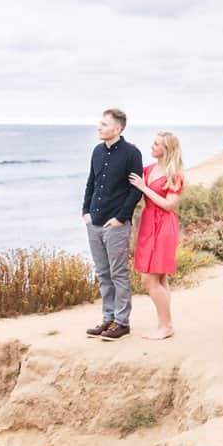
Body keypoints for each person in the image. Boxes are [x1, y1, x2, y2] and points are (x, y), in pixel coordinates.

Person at [82, 108, 143, 341]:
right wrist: (85, 211)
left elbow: (135, 189)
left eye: (104, 124)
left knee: (118, 274)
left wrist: (120, 218)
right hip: (94, 223)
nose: (99, 127)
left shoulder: (131, 153)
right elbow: (91, 183)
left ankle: (121, 322)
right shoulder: (97, 151)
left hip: (116, 225)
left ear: (117, 129)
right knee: (103, 273)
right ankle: (107, 319)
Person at [129, 131, 184, 340]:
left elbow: (170, 204)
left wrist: (144, 188)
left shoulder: (175, 173)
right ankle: (165, 324)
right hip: (147, 224)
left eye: (156, 144)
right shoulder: (148, 169)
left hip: (164, 225)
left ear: (166, 149)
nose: (152, 147)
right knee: (160, 278)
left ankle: (166, 326)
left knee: (148, 279)